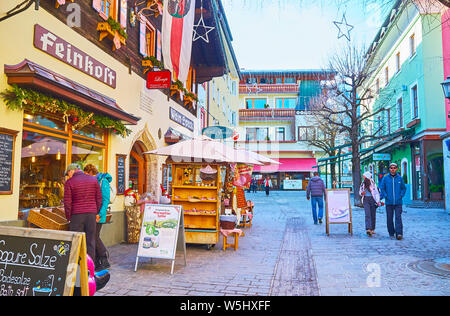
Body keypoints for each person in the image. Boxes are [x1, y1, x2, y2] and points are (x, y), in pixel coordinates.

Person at [64, 163, 101, 262]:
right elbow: (98, 198)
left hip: (76, 215)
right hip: (91, 214)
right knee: (90, 241)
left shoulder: (69, 182)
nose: (68, 176)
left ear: (71, 171)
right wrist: (95, 211)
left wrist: (69, 217)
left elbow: (67, 203)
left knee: (76, 241)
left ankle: (77, 265)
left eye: (68, 174)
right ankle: (89, 268)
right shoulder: (93, 180)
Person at [84, 164, 112, 271]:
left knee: (94, 236)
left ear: (90, 172)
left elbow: (105, 200)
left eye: (87, 174)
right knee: (93, 236)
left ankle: (104, 256)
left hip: (99, 215)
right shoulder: (93, 181)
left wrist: (100, 214)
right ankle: (99, 261)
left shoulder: (103, 181)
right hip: (93, 213)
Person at [379, 163, 407, 240]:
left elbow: (403, 188)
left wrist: (401, 195)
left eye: (394, 167)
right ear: (389, 169)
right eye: (391, 168)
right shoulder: (385, 178)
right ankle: (391, 232)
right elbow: (382, 188)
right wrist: (385, 195)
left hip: (398, 202)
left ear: (397, 169)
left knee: (398, 217)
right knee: (389, 218)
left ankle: (399, 233)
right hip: (389, 202)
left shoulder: (400, 178)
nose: (393, 169)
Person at [359, 171, 380, 237]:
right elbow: (360, 191)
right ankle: (368, 229)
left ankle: (372, 229)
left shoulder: (373, 183)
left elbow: (376, 192)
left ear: (367, 177)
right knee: (367, 214)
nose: (363, 177)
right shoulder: (363, 184)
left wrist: (377, 201)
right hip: (365, 199)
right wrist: (362, 193)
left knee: (373, 214)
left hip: (372, 199)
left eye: (364, 176)